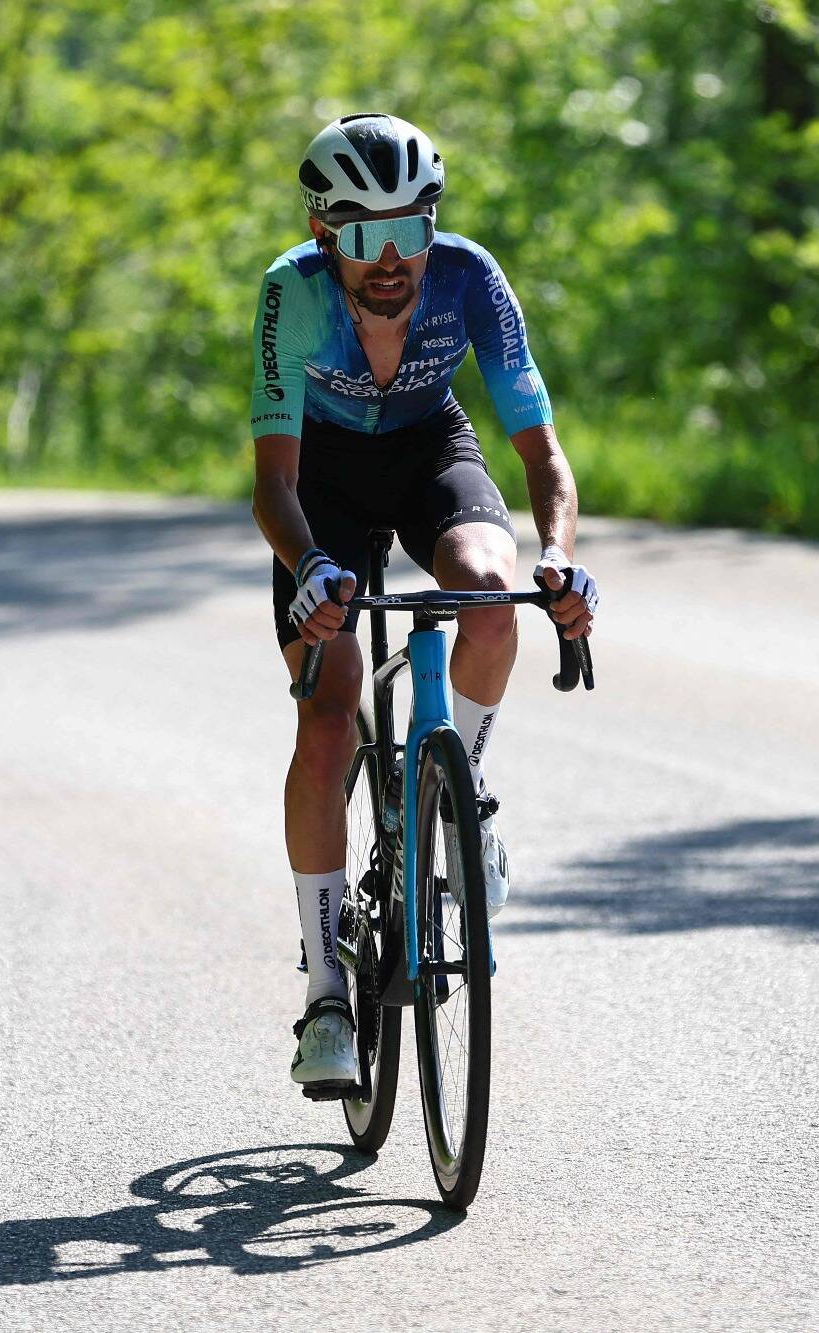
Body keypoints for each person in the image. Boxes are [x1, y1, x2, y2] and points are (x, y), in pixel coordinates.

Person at [250, 113, 601, 1096]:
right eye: (362, 235)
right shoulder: (291, 294)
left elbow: (541, 454)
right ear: (323, 231)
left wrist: (560, 559)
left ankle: (460, 798)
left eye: (409, 227)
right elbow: (271, 486)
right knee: (329, 713)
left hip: (426, 453)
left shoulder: (468, 277)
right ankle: (325, 993)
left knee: (489, 595)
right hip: (319, 483)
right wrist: (312, 565)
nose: (391, 256)